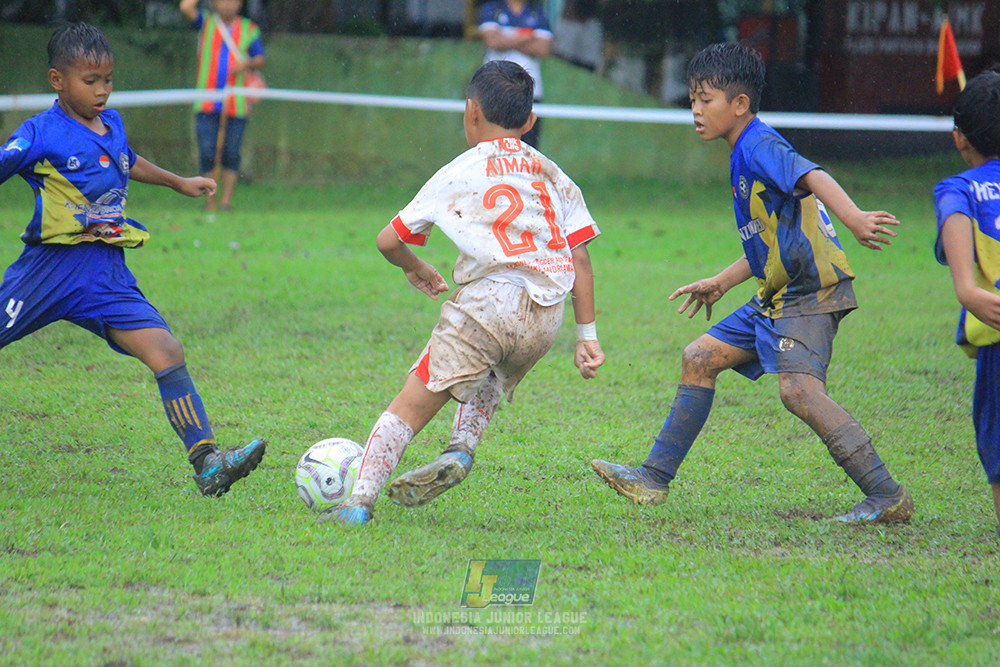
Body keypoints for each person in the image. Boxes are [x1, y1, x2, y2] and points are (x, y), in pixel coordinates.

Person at [591, 42, 914, 523]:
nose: (695, 109)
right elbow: (771, 238)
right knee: (700, 357)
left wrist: (854, 217)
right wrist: (723, 281)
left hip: (809, 293)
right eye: (693, 99)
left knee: (798, 392)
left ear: (740, 103)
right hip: (778, 293)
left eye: (705, 100)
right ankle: (653, 478)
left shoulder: (760, 145)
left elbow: (813, 174)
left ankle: (886, 495)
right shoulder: (744, 150)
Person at [321, 60, 605, 526]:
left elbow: (387, 241)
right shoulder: (553, 174)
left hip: (488, 305)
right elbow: (581, 259)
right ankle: (461, 448)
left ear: (471, 112)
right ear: (530, 121)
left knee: (410, 405)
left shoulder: (459, 170)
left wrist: (413, 266)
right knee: (492, 371)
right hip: (547, 315)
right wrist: (586, 336)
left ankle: (357, 503)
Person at [0, 23, 266, 497]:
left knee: (166, 350)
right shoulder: (40, 133)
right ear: (57, 80)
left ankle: (208, 462)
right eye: (90, 81)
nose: (102, 90)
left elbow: (127, 159)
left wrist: (178, 182)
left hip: (104, 273)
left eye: (108, 80)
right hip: (47, 270)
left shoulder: (113, 123)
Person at [933, 70, 1000, 539]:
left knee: (996, 440)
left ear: (960, 138)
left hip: (996, 337)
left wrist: (968, 289)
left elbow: (965, 283)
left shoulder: (958, 189)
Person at [179, 0, 265, 212]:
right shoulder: (206, 22)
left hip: (237, 103)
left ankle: (225, 202)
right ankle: (209, 201)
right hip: (206, 101)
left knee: (232, 153)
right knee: (207, 152)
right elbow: (185, 7)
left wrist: (246, 64)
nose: (227, 5)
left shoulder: (249, 29)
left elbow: (260, 58)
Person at [478, 0, 552, 148]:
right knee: (492, 146)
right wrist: (525, 37)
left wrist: (506, 39)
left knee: (527, 146)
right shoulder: (492, 9)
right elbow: (493, 41)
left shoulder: (537, 13)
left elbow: (543, 48)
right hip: (495, 92)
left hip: (529, 93)